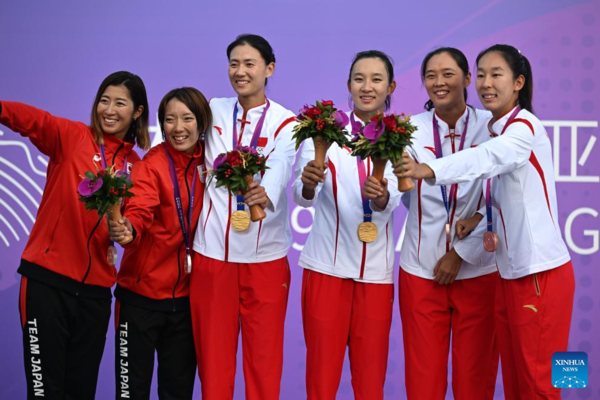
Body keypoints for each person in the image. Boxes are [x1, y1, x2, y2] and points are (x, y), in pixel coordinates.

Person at [397, 44, 574, 400]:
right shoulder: (497, 127)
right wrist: (478, 217)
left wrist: (429, 169)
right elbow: (503, 192)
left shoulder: (524, 128)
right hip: (511, 275)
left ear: (519, 82)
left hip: (541, 274)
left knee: (546, 383)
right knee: (515, 382)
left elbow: (488, 159)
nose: (486, 83)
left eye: (496, 74)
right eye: (481, 75)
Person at [0, 71, 150, 399]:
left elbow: (137, 218)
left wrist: (126, 230)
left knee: (80, 392)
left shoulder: (137, 167)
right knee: (45, 391)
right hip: (46, 283)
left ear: (137, 112)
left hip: (95, 294)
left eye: (120, 103)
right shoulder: (71, 136)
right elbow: (28, 119)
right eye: (104, 100)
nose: (108, 109)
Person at [189, 34, 297, 400]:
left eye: (249, 64)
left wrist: (266, 189)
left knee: (263, 367)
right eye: (234, 63)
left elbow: (282, 163)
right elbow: (177, 135)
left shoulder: (286, 122)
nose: (240, 71)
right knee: (214, 368)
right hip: (212, 259)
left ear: (269, 69)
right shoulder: (211, 109)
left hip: (264, 259)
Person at [292, 50, 400, 400]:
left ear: (390, 87)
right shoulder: (323, 133)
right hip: (327, 269)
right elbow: (302, 194)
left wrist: (381, 196)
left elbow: (393, 200)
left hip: (375, 275)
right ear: (348, 85)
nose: (367, 87)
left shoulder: (400, 138)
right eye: (359, 79)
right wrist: (309, 182)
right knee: (321, 381)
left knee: (370, 383)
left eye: (376, 79)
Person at [398, 47, 499, 400]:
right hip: (421, 269)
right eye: (430, 75)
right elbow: (400, 191)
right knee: (423, 380)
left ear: (468, 79)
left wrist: (461, 252)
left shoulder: (495, 127)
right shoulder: (409, 129)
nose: (439, 82)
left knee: (475, 380)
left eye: (448, 74)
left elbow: (507, 203)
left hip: (479, 270)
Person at [108, 87, 211, 400]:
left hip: (186, 302)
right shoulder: (151, 165)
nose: (178, 128)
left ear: (201, 121)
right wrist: (130, 229)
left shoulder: (211, 162)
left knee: (177, 392)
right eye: (169, 120)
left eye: (187, 118)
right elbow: (140, 206)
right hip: (140, 298)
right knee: (131, 392)